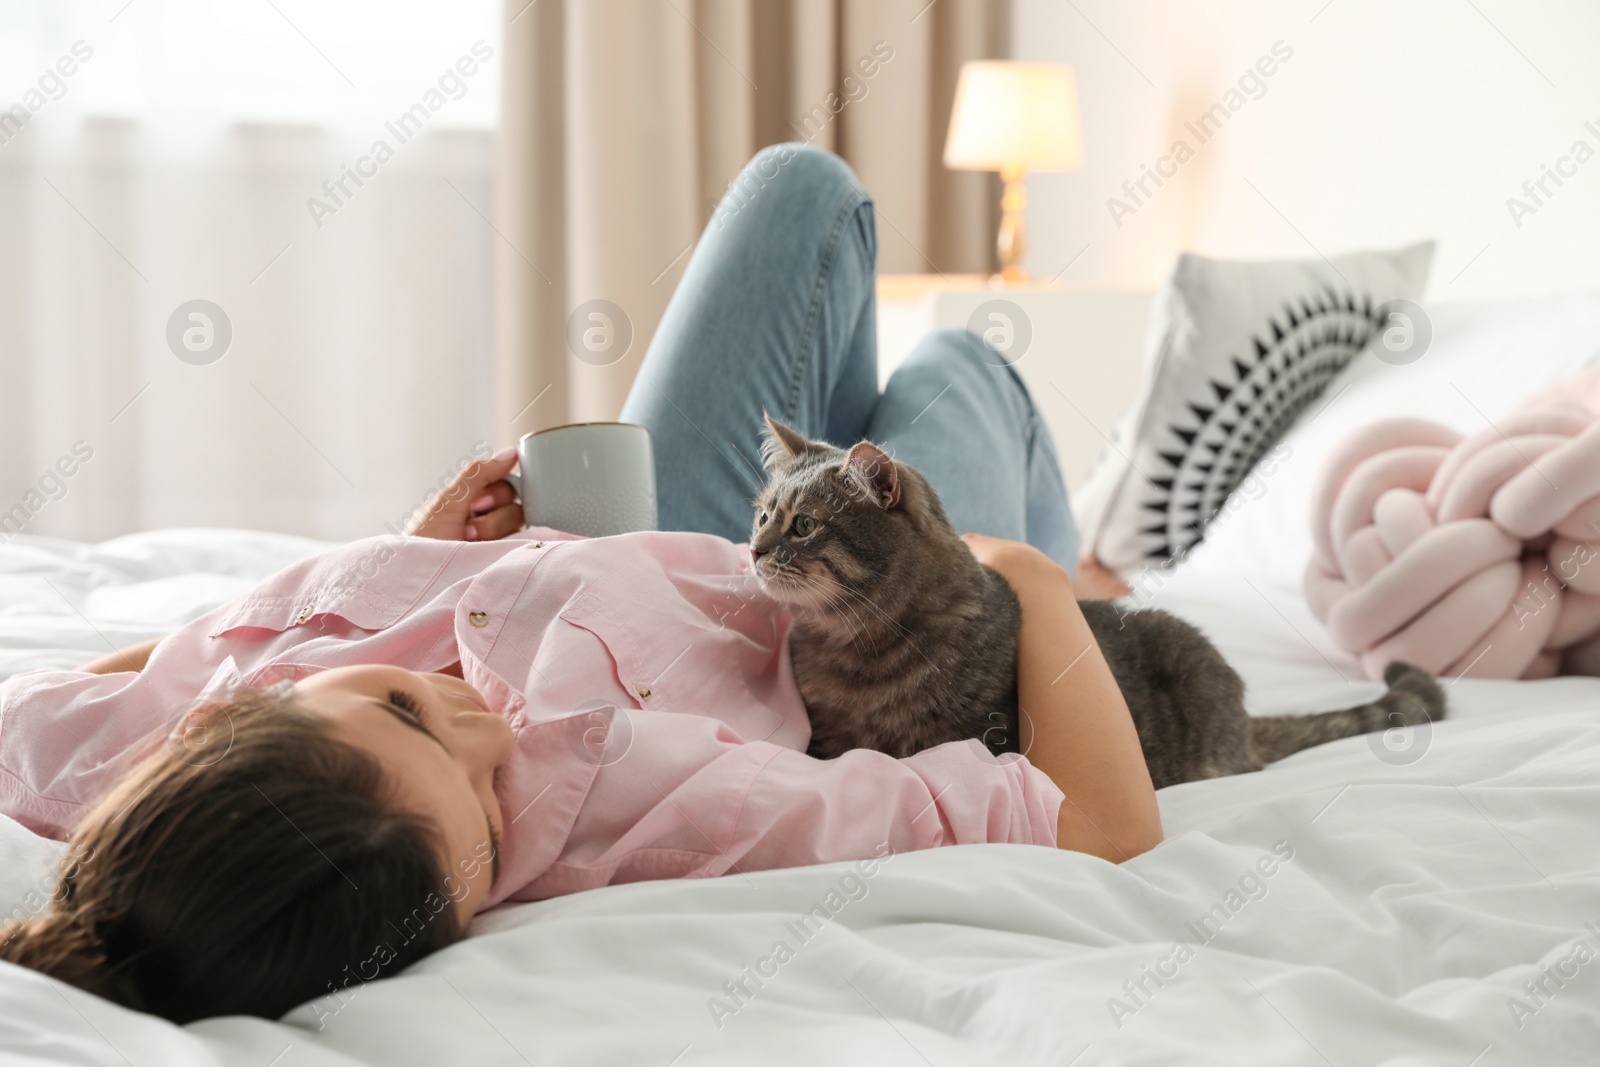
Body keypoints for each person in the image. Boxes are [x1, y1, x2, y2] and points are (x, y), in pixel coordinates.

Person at [0, 143, 1159, 1023]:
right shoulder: (657, 817)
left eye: (407, 708)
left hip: (654, 526)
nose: (487, 732)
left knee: (799, 189)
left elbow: (124, 678)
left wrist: (417, 549)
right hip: (868, 605)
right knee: (961, 365)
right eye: (489, 821)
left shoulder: (118, 754)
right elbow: (1101, 824)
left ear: (217, 725)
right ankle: (1096, 543)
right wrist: (1034, 584)